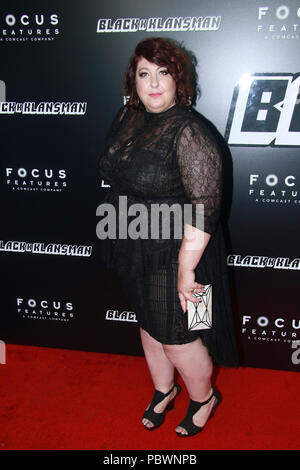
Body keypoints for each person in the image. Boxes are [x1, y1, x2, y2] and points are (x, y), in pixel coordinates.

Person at [98, 37, 239, 437]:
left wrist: (186, 271)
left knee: (179, 338)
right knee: (148, 325)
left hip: (182, 252)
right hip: (134, 239)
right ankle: (164, 390)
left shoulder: (191, 133)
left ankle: (204, 398)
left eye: (164, 73)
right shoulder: (129, 115)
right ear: (133, 80)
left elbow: (205, 208)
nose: (154, 83)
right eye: (145, 73)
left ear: (180, 81)